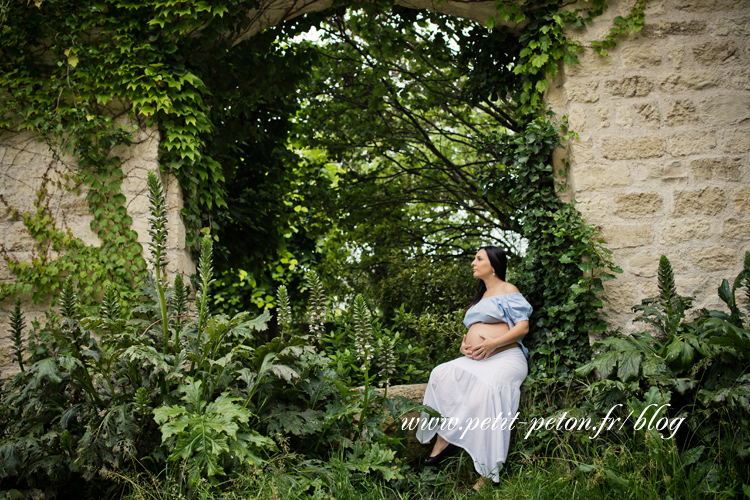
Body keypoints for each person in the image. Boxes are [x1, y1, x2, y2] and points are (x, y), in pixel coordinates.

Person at [416, 246, 531, 493]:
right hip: (479, 359)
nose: (473, 263)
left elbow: (522, 328)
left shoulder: (507, 290)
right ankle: (443, 442)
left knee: (487, 391)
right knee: (441, 374)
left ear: (494, 264)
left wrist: (492, 343)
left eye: (479, 259)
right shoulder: (480, 297)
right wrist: (464, 345)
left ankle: (487, 474)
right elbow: (475, 330)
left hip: (506, 358)